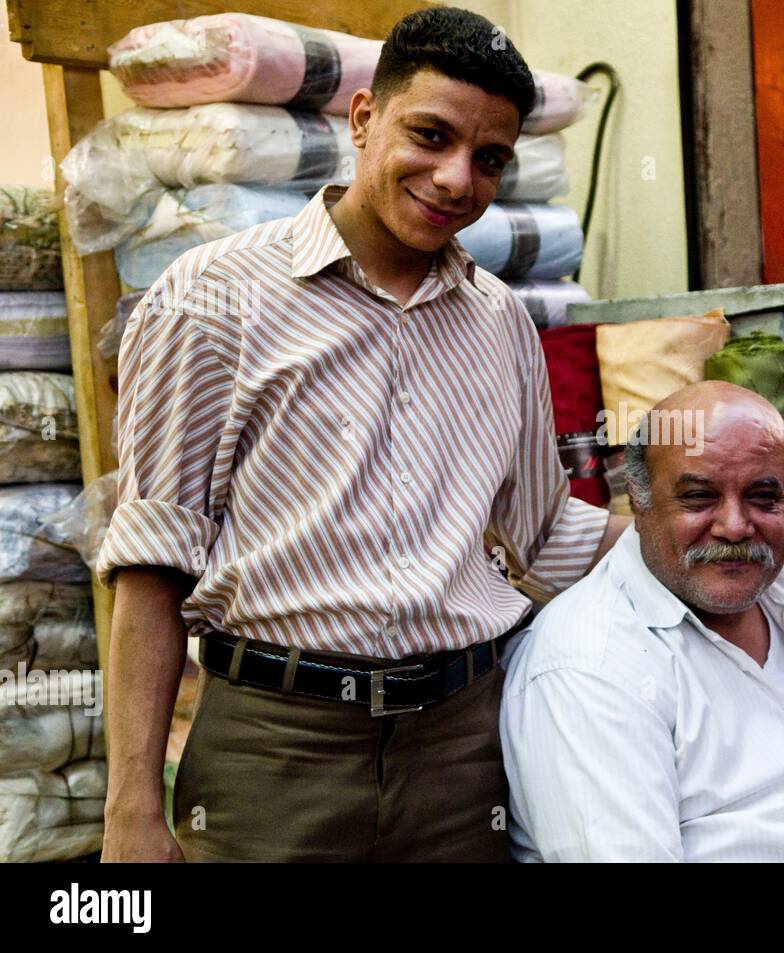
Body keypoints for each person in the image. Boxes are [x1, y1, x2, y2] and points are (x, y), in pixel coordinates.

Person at [95, 7, 628, 862]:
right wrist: (129, 808)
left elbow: (545, 531)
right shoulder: (214, 298)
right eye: (431, 134)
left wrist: (708, 543)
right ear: (363, 119)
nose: (456, 178)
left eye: (488, 159)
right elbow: (152, 565)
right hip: (275, 752)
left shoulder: (500, 325)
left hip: (463, 753)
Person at [500, 381, 784, 862]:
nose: (736, 526)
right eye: (699, 497)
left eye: (764, 497)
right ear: (638, 501)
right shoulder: (588, 665)